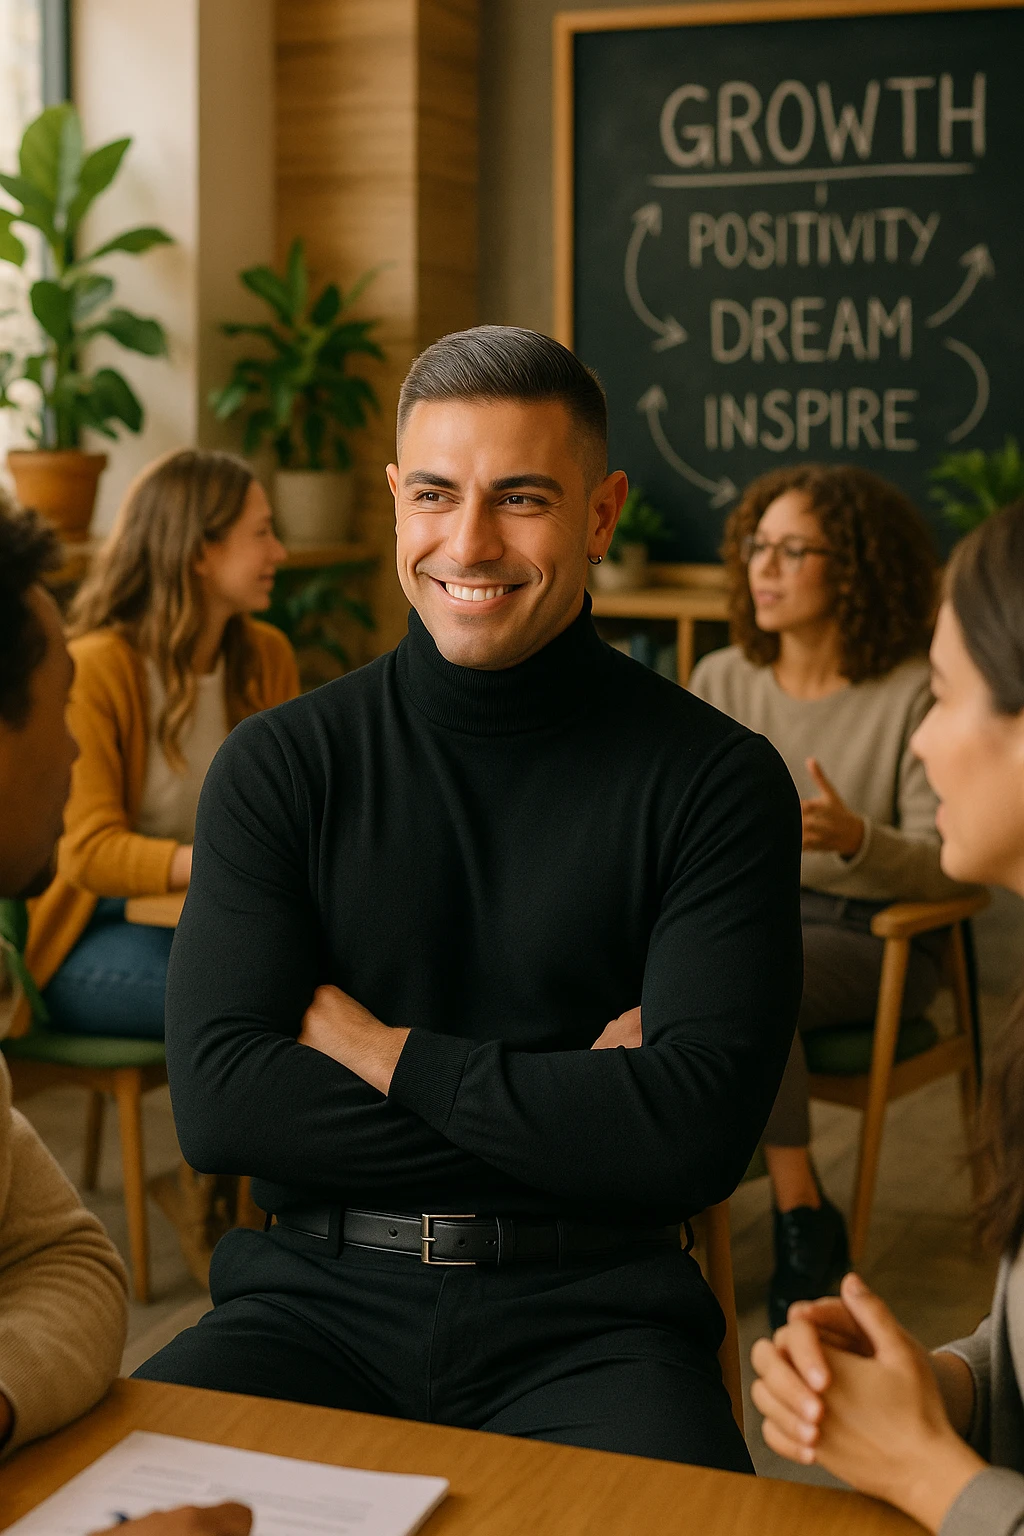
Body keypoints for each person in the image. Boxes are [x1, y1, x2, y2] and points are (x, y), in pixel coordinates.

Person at [135, 326, 802, 1473]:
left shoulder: (715, 782)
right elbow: (223, 1108)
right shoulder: (281, 766)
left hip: (593, 1325)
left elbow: (689, 1139)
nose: (470, 541)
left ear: (599, 515)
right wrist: (581, 1102)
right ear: (397, 501)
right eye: (435, 493)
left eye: (524, 498)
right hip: (307, 1307)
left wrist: (385, 1052)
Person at [750, 500, 1024, 1535]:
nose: (922, 736)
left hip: (871, 935)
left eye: (945, 698)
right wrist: (941, 1386)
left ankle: (794, 1215)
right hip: (763, 919)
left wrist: (924, 1473)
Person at [0, 497, 249, 1536]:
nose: (69, 750)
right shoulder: (118, 665)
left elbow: (66, 1261)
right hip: (87, 949)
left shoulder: (259, 656)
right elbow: (98, 848)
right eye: (56, 711)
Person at [690, 464, 968, 1327]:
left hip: (875, 936)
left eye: (792, 550)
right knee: (714, 961)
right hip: (741, 922)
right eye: (755, 547)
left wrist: (858, 842)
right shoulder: (723, 677)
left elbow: (950, 866)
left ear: (853, 565)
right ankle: (712, 1197)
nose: (762, 569)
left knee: (744, 975)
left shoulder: (913, 691)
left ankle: (797, 1206)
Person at [23, 448, 298, 1044]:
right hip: (89, 930)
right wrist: (223, 863)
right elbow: (88, 853)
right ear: (200, 552)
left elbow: (289, 820)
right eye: (261, 533)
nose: (279, 552)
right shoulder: (97, 668)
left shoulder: (265, 656)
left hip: (210, 917)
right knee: (262, 1012)